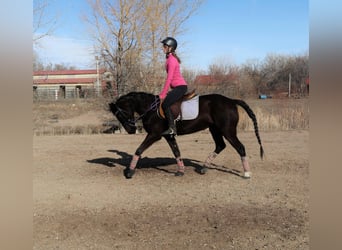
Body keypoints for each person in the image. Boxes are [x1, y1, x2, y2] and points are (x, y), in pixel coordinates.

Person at [159, 37, 188, 136]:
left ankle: (172, 128)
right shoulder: (169, 59)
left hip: (180, 87)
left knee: (165, 104)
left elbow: (169, 78)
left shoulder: (171, 60)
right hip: (177, 87)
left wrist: (163, 93)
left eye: (164, 46)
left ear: (170, 48)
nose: (162, 48)